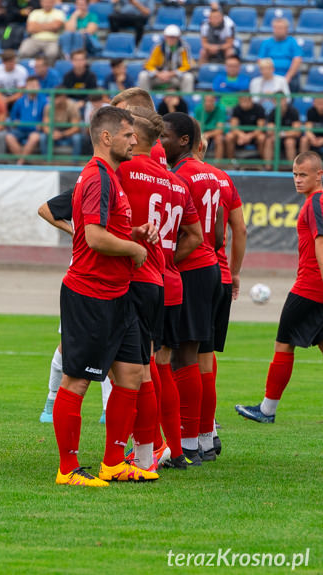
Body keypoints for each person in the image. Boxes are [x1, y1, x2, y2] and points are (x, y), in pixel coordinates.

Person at [52, 105, 159, 487]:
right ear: (107, 137)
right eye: (129, 134)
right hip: (90, 294)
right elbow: (94, 238)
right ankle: (68, 469)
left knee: (131, 374)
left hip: (119, 294)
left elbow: (102, 231)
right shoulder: (97, 177)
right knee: (77, 381)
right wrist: (133, 250)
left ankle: (114, 462)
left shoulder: (108, 177)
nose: (135, 140)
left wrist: (133, 236)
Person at [236, 151, 323, 424]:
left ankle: (267, 410)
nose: (297, 180)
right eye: (295, 175)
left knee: (283, 344)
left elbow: (321, 243)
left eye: (303, 175)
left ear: (319, 175)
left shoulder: (316, 202)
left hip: (309, 287)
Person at [160, 112, 224, 464]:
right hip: (210, 266)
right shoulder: (212, 175)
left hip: (191, 268)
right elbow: (217, 230)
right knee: (201, 357)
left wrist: (169, 262)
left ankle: (185, 445)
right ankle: (202, 439)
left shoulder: (179, 176)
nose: (160, 143)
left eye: (165, 136)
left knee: (182, 357)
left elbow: (191, 232)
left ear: (184, 140)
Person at [115, 105, 171, 472]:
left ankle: (146, 452)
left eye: (128, 131)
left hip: (131, 277)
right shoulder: (173, 182)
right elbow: (194, 235)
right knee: (146, 366)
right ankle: (148, 452)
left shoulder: (121, 170)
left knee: (134, 371)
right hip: (158, 278)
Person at [37, 188, 113, 426]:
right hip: (83, 275)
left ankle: (107, 410)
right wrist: (74, 230)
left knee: (111, 344)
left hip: (113, 276)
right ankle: (51, 402)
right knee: (68, 343)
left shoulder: (121, 187)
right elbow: (45, 210)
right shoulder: (93, 186)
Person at [204, 142, 246, 456]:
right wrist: (235, 271)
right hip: (221, 275)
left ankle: (192, 433)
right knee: (206, 352)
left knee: (176, 355)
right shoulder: (223, 178)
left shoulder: (177, 175)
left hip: (190, 273)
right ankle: (208, 428)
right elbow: (239, 229)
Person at [137, 25, 195, 94]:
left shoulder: (184, 48)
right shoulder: (158, 47)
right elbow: (149, 65)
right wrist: (158, 74)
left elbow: (187, 66)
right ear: (165, 37)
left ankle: (186, 101)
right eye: (169, 37)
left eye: (174, 37)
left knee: (188, 77)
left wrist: (170, 74)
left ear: (178, 37)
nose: (171, 39)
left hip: (175, 77)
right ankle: (145, 101)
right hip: (159, 76)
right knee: (143, 75)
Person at [4, 76, 45, 164]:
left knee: (34, 137)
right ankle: (24, 161)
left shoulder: (44, 101)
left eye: (35, 85)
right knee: (9, 137)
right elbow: (13, 116)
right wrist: (15, 121)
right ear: (26, 87)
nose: (33, 88)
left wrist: (41, 124)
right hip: (20, 129)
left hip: (35, 130)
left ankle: (20, 162)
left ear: (39, 87)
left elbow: (46, 117)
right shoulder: (20, 101)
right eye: (30, 85)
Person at [258, 18, 303, 93]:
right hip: (270, 76)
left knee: (294, 82)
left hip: (289, 77)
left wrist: (288, 77)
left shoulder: (292, 42)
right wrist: (268, 75)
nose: (278, 30)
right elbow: (261, 60)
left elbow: (297, 59)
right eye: (276, 28)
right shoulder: (266, 43)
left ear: (287, 29)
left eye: (281, 28)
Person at [17, 0, 65, 65]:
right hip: (34, 39)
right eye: (45, 2)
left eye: (49, 2)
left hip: (52, 41)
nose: (47, 4)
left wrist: (38, 25)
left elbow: (56, 26)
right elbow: (30, 28)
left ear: (53, 3)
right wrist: (50, 26)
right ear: (41, 3)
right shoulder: (35, 12)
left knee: (52, 54)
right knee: (23, 52)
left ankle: (48, 71)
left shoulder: (59, 13)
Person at [264, 96, 302, 168]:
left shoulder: (293, 111)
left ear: (285, 100)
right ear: (273, 102)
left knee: (289, 142)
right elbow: (270, 131)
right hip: (277, 137)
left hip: (290, 138)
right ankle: (267, 168)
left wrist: (282, 134)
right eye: (276, 100)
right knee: (269, 140)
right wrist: (277, 134)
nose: (279, 103)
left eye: (281, 100)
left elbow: (297, 132)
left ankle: (293, 169)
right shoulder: (272, 112)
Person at [225, 96, 267, 160]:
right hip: (240, 135)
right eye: (242, 101)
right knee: (229, 136)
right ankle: (232, 161)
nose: (244, 104)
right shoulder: (236, 109)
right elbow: (233, 126)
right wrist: (242, 135)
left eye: (246, 101)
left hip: (254, 135)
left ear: (251, 100)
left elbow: (260, 128)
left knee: (262, 138)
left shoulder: (259, 108)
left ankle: (263, 162)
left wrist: (249, 136)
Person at [42, 91, 83, 157]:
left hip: (68, 133)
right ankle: (46, 162)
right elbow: (45, 126)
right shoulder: (48, 107)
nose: (56, 100)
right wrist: (52, 133)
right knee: (43, 137)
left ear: (64, 97)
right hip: (54, 132)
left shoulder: (72, 106)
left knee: (77, 138)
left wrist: (62, 134)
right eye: (55, 97)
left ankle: (75, 162)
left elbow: (76, 128)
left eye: (58, 97)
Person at [195, 94, 227, 160]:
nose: (208, 103)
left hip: (215, 133)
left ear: (214, 101)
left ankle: (218, 164)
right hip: (204, 133)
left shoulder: (221, 109)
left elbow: (220, 130)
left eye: (210, 101)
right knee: (200, 140)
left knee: (219, 139)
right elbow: (198, 127)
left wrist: (208, 134)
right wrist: (203, 135)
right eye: (206, 101)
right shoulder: (198, 109)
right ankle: (199, 164)